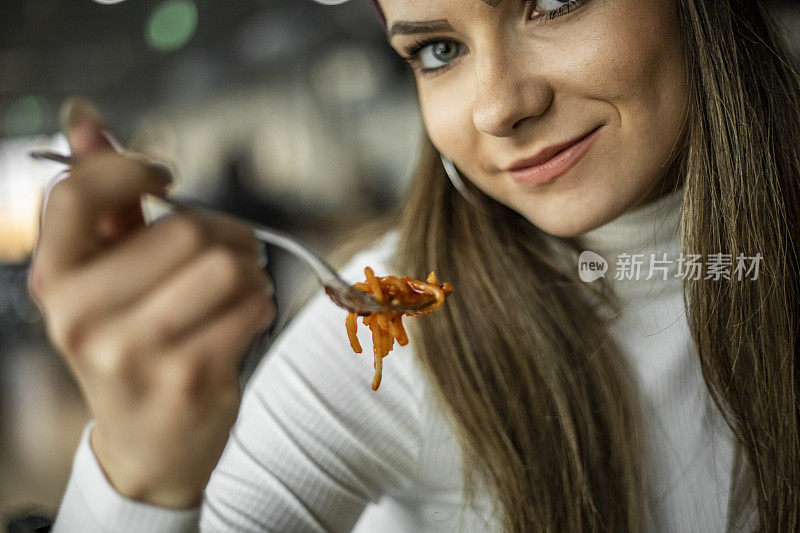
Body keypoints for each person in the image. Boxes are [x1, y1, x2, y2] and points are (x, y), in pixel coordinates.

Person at [31, 0, 799, 531]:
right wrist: (137, 479)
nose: (499, 106)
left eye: (555, 2)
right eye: (439, 50)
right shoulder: (389, 332)